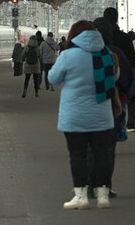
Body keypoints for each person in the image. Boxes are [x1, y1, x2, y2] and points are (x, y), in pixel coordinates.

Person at [46, 20, 118, 209]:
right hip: (101, 114)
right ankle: (103, 196)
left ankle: (81, 196)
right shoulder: (106, 54)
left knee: (77, 155)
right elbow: (114, 77)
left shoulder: (68, 55)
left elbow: (53, 78)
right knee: (102, 155)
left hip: (75, 115)